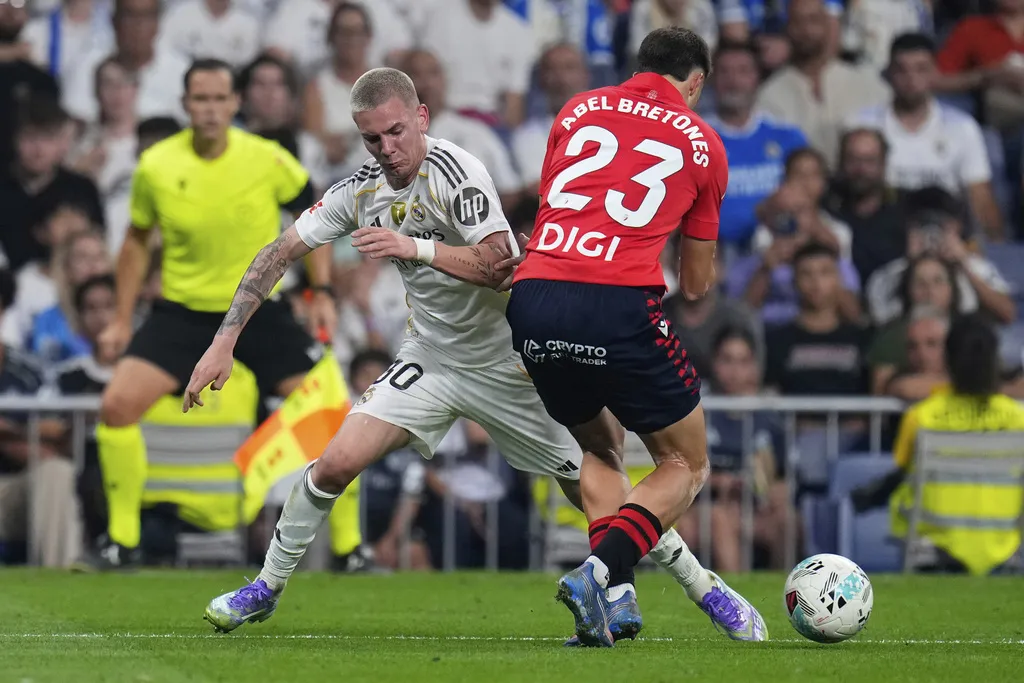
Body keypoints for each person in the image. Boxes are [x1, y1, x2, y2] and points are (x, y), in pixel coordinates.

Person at [193, 66, 704, 637]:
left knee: (591, 475)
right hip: (432, 359)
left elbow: (496, 267)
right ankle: (265, 588)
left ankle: (702, 588)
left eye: (395, 133)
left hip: (508, 360)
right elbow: (279, 252)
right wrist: (223, 341)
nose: (386, 149)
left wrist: (411, 245)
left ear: (420, 118)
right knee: (334, 463)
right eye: (371, 139)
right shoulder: (360, 191)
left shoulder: (458, 173)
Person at [505, 27, 767, 647]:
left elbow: (555, 209)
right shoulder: (703, 142)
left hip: (535, 296)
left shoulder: (578, 108)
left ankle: (612, 604)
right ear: (696, 81)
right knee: (686, 461)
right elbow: (698, 285)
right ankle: (601, 569)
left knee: (600, 450)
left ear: (638, 66)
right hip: (618, 304)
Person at [85, 58, 337, 570]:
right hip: (182, 313)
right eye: (200, 99)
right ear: (185, 105)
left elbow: (316, 214)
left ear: (235, 103)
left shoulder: (267, 158)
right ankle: (122, 539)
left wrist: (322, 290)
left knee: (332, 415)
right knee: (116, 408)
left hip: (257, 311)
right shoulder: (156, 164)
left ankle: (352, 550)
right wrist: (119, 316)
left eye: (220, 99)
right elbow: (135, 241)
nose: (210, 109)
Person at [889, 314, 1024, 574]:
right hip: (1005, 551)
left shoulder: (922, 417)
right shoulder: (1020, 419)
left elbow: (901, 470)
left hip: (935, 551)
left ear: (948, 360)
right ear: (995, 361)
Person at [848, 33, 1004, 242]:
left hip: (946, 234)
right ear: (889, 74)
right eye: (902, 70)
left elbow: (980, 198)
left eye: (921, 69)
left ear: (934, 73)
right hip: (880, 235)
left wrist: (991, 248)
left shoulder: (962, 127)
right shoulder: (862, 123)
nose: (911, 79)